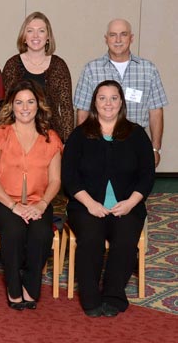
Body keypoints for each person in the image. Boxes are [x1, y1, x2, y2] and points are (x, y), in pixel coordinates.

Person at [63, 80, 155, 318]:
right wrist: (91, 204)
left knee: (125, 241)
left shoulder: (137, 134)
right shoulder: (79, 135)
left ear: (121, 102)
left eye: (114, 98)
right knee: (90, 239)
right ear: (95, 102)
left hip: (128, 205)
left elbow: (147, 175)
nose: (108, 103)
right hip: (85, 206)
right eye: (102, 98)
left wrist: (131, 203)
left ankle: (114, 295)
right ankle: (91, 298)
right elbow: (69, 177)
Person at [0, 80, 62, 310]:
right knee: (15, 230)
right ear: (11, 106)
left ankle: (31, 286)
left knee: (41, 233)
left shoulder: (50, 138)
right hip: (0, 201)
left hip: (38, 202)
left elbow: (56, 180)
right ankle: (14, 287)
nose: (25, 107)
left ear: (39, 105)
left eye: (30, 102)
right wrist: (13, 206)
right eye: (19, 102)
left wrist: (43, 204)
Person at [74, 18, 167, 166]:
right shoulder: (91, 70)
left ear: (131, 38)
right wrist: (82, 147)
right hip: (99, 145)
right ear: (106, 39)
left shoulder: (148, 70)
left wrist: (156, 149)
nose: (118, 39)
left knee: (137, 188)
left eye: (123, 34)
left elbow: (156, 112)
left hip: (136, 146)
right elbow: (82, 112)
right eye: (112, 35)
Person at [2, 11, 74, 142]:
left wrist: (68, 143)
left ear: (48, 37)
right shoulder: (12, 65)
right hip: (17, 137)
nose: (35, 35)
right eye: (30, 31)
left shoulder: (58, 66)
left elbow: (66, 108)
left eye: (41, 31)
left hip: (51, 136)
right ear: (24, 37)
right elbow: (6, 106)